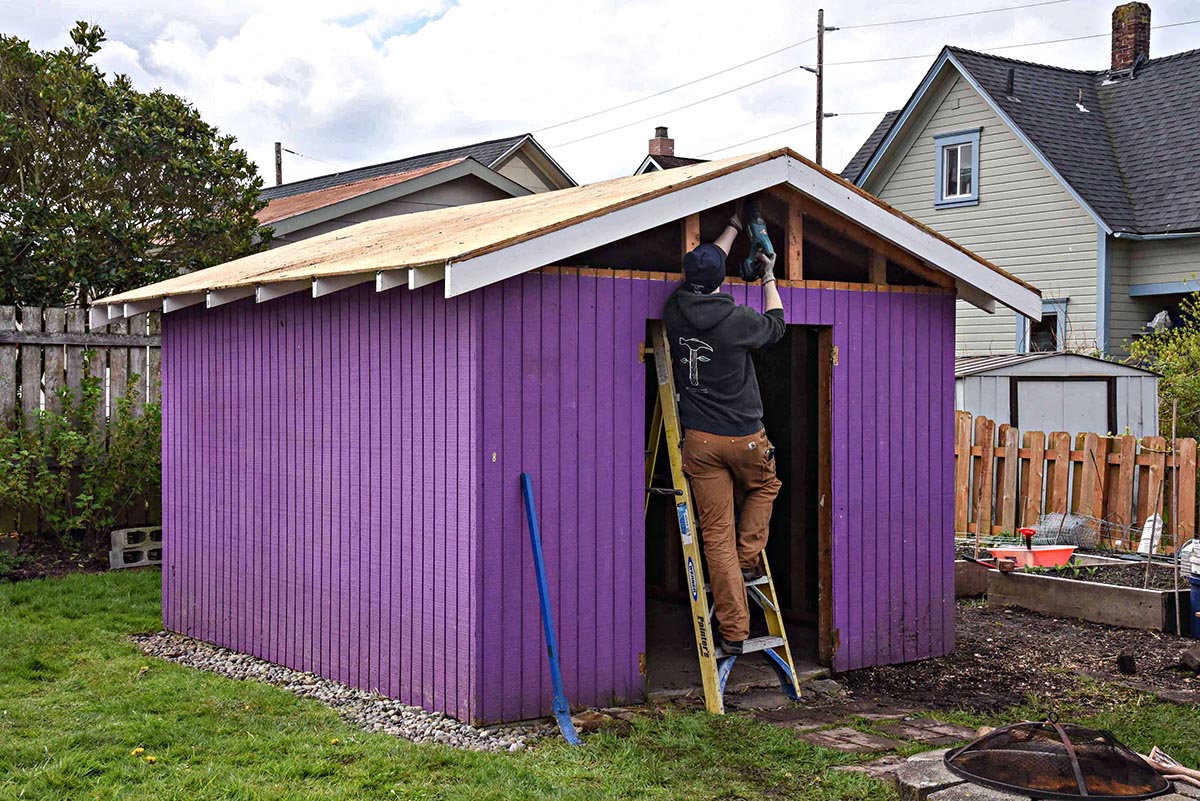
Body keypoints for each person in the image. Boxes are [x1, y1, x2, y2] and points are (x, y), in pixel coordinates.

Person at [663, 202, 785, 656]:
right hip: (747, 439)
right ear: (720, 281)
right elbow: (777, 324)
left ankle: (734, 632)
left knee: (714, 536)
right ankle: (750, 557)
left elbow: (707, 262)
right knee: (767, 486)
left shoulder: (675, 309)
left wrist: (734, 225)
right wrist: (769, 275)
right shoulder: (737, 321)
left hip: (699, 441)